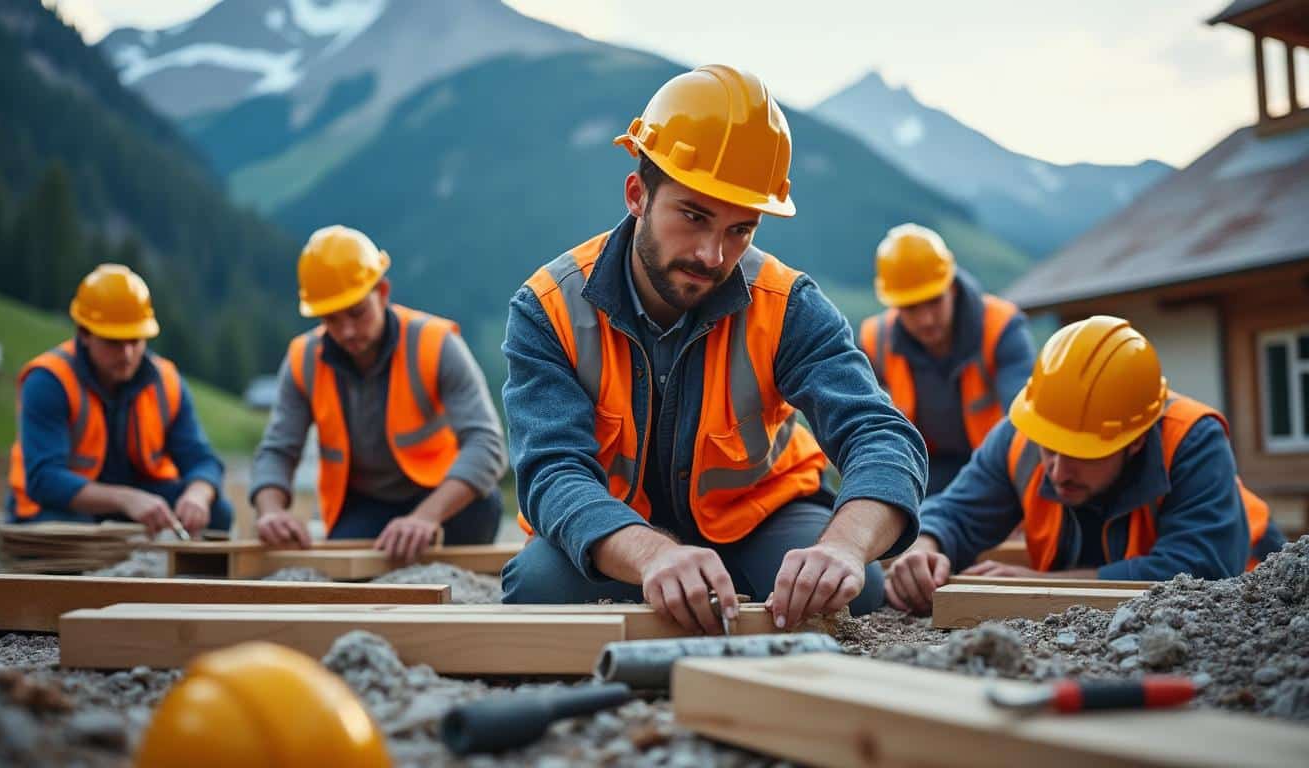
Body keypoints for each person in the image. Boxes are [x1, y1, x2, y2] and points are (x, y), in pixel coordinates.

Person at [500, 65, 928, 633]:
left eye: (739, 229)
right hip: (616, 527)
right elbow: (553, 472)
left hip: (760, 516)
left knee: (858, 588)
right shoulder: (547, 307)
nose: (711, 254)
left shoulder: (788, 303)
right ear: (638, 195)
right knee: (537, 589)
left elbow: (879, 433)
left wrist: (846, 547)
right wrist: (653, 555)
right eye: (694, 216)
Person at [885, 315, 1287, 613]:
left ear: (1135, 442)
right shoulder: (1025, 430)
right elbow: (956, 512)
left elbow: (1200, 569)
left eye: (1081, 453)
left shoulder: (1192, 440)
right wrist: (926, 544)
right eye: (1050, 449)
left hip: (1251, 594)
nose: (1057, 471)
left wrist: (1041, 586)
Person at [250, 225, 506, 560]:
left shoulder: (437, 344)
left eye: (357, 312)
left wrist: (425, 517)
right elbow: (277, 450)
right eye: (332, 320)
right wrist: (270, 510)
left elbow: (487, 446)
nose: (348, 330)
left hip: (446, 500)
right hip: (365, 507)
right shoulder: (302, 361)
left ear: (382, 291)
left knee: (482, 507)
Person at [8, 264, 232, 534]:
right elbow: (44, 480)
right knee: (69, 532)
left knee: (217, 514)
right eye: (114, 341)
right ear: (84, 333)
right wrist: (126, 499)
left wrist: (198, 494)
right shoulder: (49, 381)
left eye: (135, 341)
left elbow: (202, 460)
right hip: (67, 504)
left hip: (139, 499)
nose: (127, 354)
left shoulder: (167, 380)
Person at [858, 223, 1035, 494]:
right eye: (911, 308)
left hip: (996, 468)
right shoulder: (875, 341)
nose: (925, 320)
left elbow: (1025, 425)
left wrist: (1020, 494)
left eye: (934, 301)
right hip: (925, 470)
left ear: (952, 286)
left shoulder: (1002, 328)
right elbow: (865, 428)